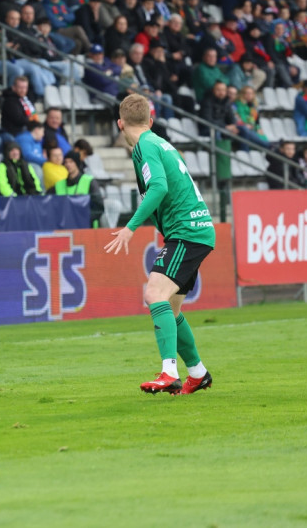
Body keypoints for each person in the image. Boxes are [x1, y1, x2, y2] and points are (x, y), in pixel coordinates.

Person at [105, 94, 214, 396]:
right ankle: (198, 373)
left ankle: (169, 372)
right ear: (150, 121)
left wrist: (129, 227)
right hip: (197, 229)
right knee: (172, 308)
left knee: (153, 293)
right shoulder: (160, 142)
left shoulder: (144, 146)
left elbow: (159, 187)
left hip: (186, 232)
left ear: (120, 123)